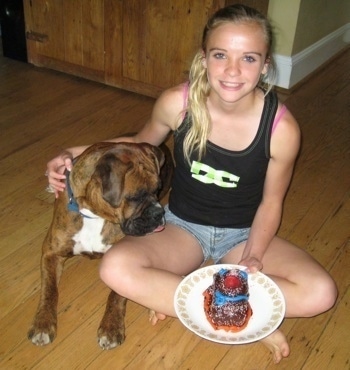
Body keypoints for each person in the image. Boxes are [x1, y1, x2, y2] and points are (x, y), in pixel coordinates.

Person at [46, 4, 337, 364]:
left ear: (265, 66)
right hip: (181, 227)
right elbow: (138, 142)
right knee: (114, 268)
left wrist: (254, 256)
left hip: (243, 233)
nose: (232, 71)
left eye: (248, 58)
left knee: (321, 294)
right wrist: (72, 153)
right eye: (220, 55)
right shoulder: (177, 104)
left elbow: (271, 203)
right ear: (204, 59)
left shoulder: (282, 130)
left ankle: (188, 300)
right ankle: (251, 317)